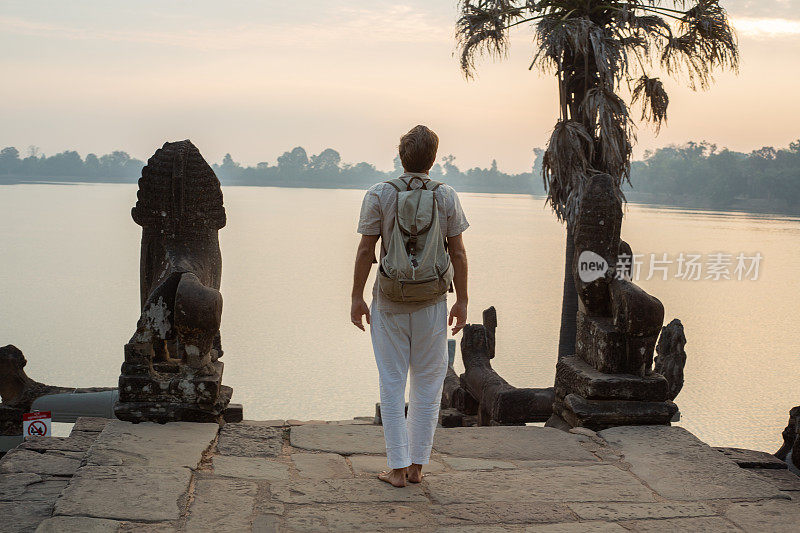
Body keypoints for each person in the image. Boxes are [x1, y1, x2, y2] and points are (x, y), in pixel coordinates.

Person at [350, 125, 469, 487]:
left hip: (389, 300)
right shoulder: (446, 196)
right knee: (429, 382)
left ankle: (397, 469)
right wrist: (462, 300)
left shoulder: (379, 193)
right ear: (433, 159)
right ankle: (418, 466)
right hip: (432, 301)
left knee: (392, 380)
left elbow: (365, 251)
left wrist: (356, 297)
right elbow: (459, 252)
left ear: (401, 157)